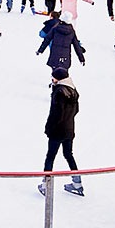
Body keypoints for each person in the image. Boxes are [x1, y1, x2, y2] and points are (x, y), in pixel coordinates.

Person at [39, 67, 83, 197]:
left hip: (57, 130)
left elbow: (55, 114)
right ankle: (77, 183)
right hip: (69, 129)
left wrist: (49, 128)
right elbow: (76, 111)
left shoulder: (59, 92)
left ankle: (46, 185)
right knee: (68, 154)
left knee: (50, 157)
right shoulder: (73, 90)